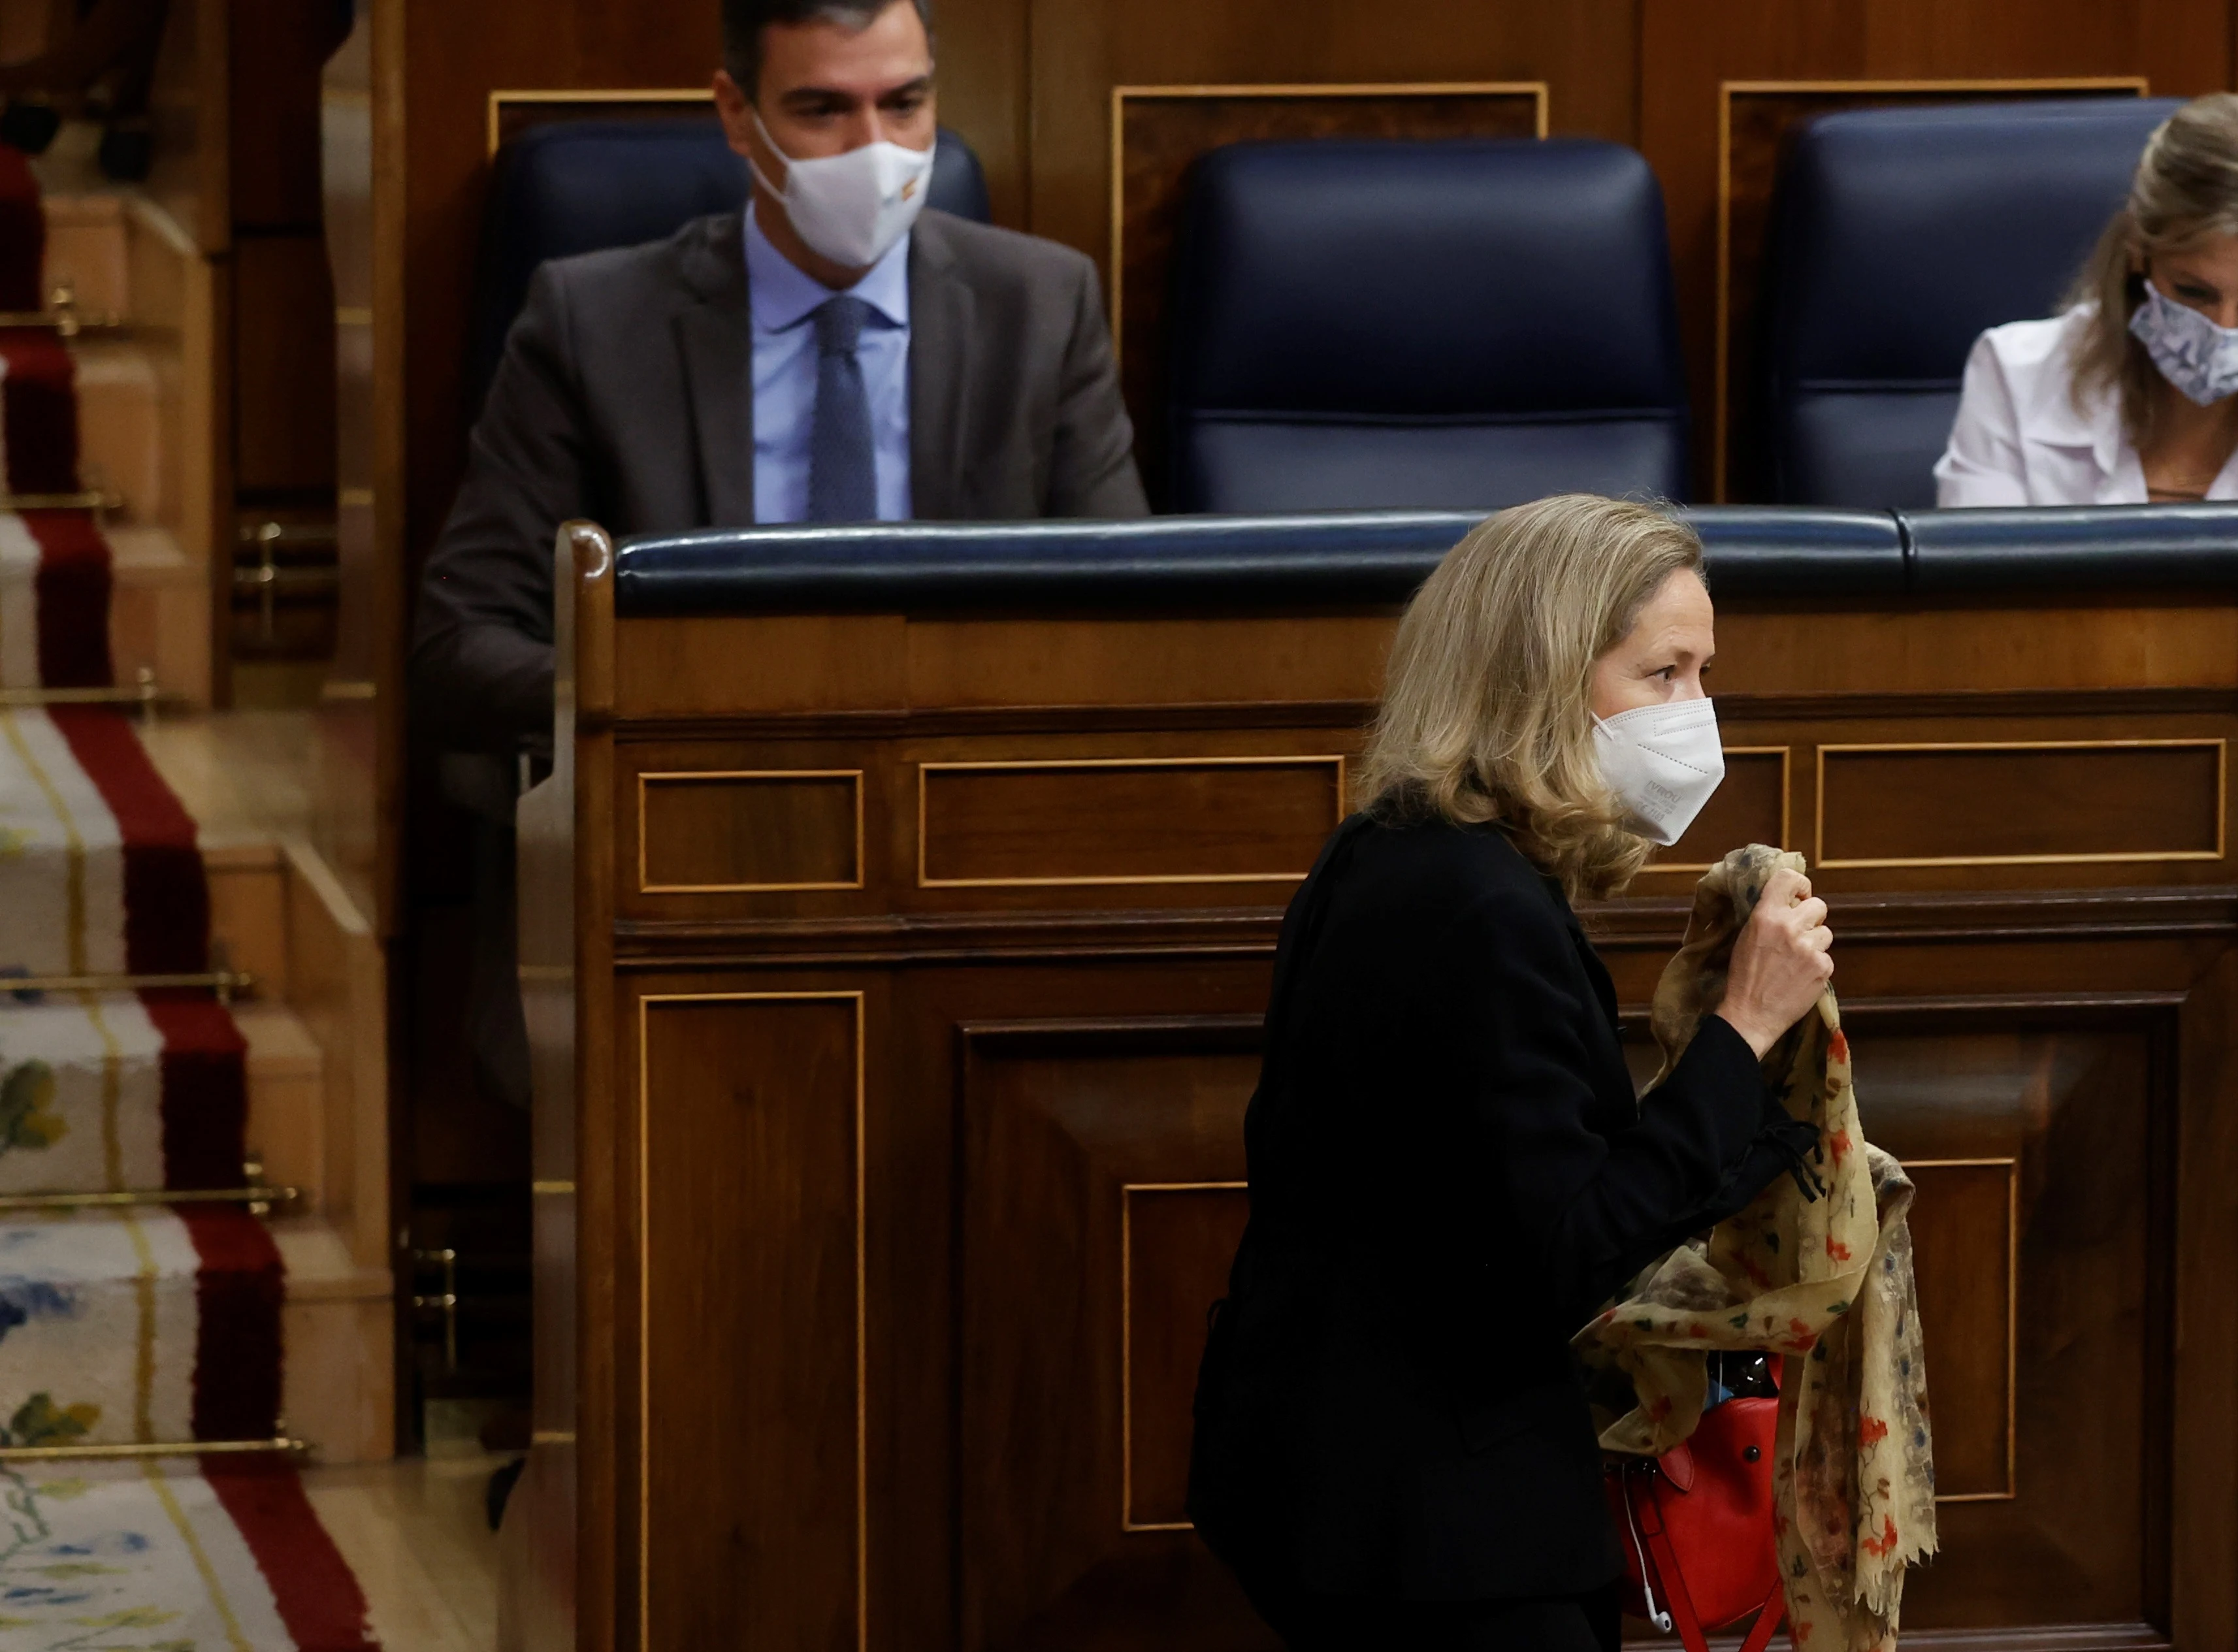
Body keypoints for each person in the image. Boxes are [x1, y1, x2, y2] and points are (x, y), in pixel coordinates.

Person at [1188, 496, 1835, 1652]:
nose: (1697, 713)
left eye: (1703, 671)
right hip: (1437, 1519)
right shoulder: (1480, 907)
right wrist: (1743, 1025)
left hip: (1323, 1473)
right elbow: (1566, 1248)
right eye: (1661, 673)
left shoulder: (1384, 847)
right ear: (1538, 676)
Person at [412, 0, 1146, 758]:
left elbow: (1132, 620)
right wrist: (695, 708)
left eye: (903, 104)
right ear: (737, 114)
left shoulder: (1041, 310)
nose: (874, 149)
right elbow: (462, 644)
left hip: (970, 800)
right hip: (695, 795)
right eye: (822, 109)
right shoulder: (595, 324)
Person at [1932, 91, 2238, 506]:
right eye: (2194, 292)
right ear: (2139, 253)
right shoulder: (2016, 376)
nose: (2224, 328)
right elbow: (1980, 608)